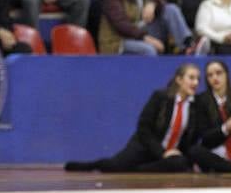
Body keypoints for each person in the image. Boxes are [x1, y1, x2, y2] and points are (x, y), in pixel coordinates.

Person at [65, 64, 200, 172]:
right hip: (146, 147)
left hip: (170, 155)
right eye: (191, 78)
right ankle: (92, 165)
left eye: (198, 79)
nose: (195, 82)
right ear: (179, 79)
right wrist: (162, 152)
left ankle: (138, 170)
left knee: (181, 164)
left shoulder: (194, 106)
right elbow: (143, 128)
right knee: (115, 167)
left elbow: (189, 138)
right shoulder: (160, 97)